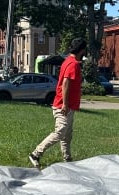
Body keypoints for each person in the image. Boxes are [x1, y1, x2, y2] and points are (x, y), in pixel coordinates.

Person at [29, 38, 87, 169]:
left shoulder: (68, 61)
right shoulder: (73, 64)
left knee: (67, 135)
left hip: (69, 105)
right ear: (82, 50)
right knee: (60, 132)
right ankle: (35, 154)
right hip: (63, 105)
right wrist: (65, 104)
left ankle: (68, 160)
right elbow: (66, 83)